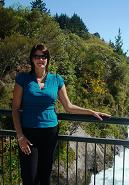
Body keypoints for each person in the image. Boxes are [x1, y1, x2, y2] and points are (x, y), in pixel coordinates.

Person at [12, 43, 110, 185]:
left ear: (48, 59)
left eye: (43, 56)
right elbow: (15, 108)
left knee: (45, 175)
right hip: (28, 134)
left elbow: (69, 106)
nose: (40, 59)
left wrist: (91, 112)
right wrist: (20, 135)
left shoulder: (57, 79)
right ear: (32, 59)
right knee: (29, 177)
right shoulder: (23, 79)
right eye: (37, 56)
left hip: (50, 133)